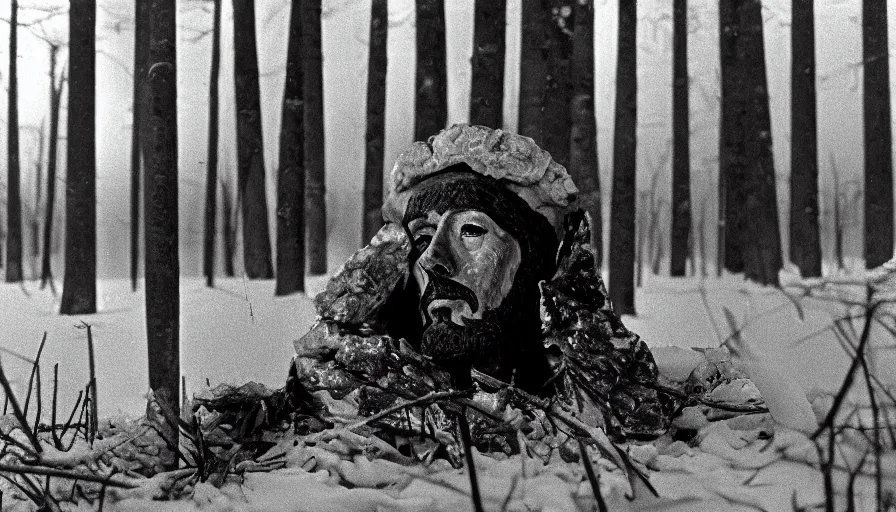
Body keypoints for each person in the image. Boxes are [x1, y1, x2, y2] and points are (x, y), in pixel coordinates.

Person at [291, 124, 676, 453]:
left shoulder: (601, 400)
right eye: (422, 239)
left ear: (537, 267)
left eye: (471, 231)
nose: (433, 259)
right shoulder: (345, 396)